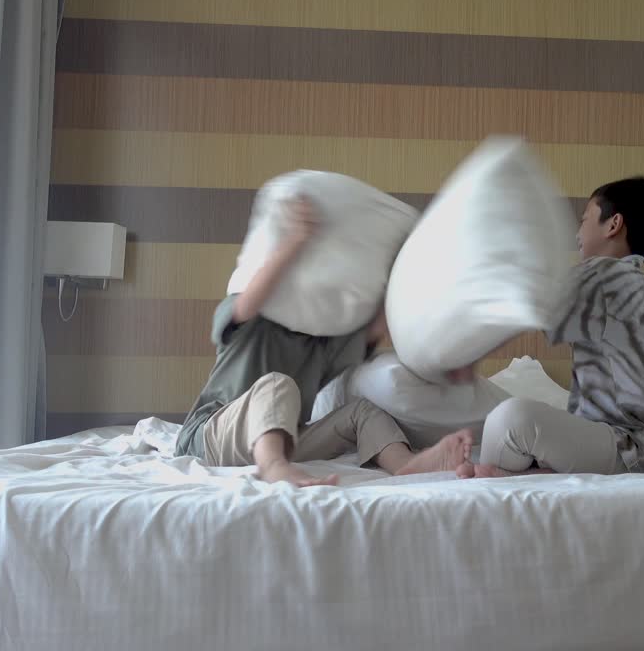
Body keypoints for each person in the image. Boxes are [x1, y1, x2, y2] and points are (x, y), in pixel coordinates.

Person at [174, 197, 473, 487]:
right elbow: (247, 304)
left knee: (362, 412)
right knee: (278, 384)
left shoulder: (322, 346)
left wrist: (403, 268)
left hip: (285, 438)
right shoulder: (254, 323)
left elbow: (376, 326)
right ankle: (273, 467)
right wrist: (296, 239)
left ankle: (404, 464)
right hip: (211, 438)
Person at [458, 177, 644, 478]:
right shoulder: (630, 282)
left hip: (643, 449)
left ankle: (493, 480)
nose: (578, 232)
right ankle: (522, 473)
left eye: (585, 220)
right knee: (510, 417)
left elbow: (527, 303)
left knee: (509, 419)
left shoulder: (609, 275)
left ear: (613, 224)